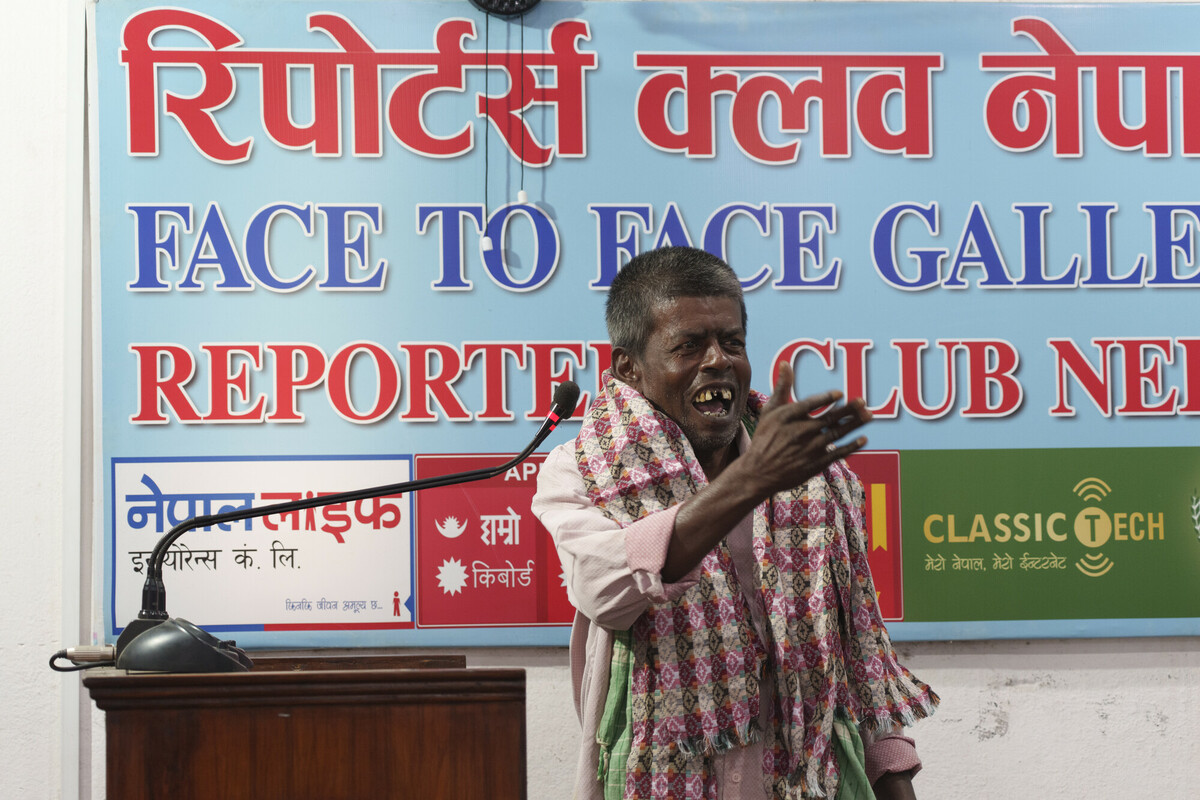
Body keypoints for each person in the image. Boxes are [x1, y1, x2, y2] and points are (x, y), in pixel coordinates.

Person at [532, 246, 938, 800]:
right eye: (689, 345)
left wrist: (893, 775)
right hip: (662, 775)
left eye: (732, 342)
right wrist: (750, 482)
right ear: (628, 367)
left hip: (811, 778)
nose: (718, 360)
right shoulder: (582, 469)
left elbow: (853, 648)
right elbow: (607, 592)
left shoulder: (813, 473)